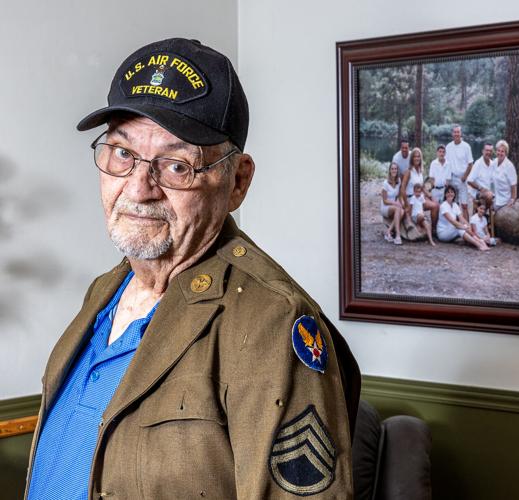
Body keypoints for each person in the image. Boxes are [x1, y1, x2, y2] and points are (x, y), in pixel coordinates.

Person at [25, 38, 359, 499]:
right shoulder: (104, 291)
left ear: (238, 181)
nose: (140, 189)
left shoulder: (270, 322)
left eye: (177, 165)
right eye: (123, 153)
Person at [436, 186, 489, 250]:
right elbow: (453, 222)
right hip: (443, 233)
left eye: (452, 192)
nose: (450, 194)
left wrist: (468, 225)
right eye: (448, 192)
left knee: (464, 226)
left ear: (454, 194)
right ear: (445, 194)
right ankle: (478, 245)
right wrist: (464, 227)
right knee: (460, 228)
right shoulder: (443, 206)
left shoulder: (455, 205)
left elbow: (462, 219)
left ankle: (480, 241)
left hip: (452, 230)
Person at [400, 147, 439, 226]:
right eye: (415, 156)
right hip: (411, 199)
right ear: (412, 158)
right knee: (434, 206)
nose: (417, 158)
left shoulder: (420, 171)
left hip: (420, 198)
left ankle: (434, 228)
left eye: (418, 156)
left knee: (436, 205)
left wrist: (430, 196)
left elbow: (422, 187)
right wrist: (406, 204)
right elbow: (402, 189)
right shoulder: (408, 172)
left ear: (420, 158)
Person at [445, 125, 474, 221]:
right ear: (452, 134)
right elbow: (447, 164)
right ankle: (456, 225)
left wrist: (465, 177)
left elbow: (470, 164)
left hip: (462, 179)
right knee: (453, 204)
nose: (456, 134)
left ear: (461, 133)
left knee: (464, 205)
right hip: (452, 177)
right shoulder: (448, 147)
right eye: (455, 132)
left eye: (458, 132)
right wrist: (447, 179)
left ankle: (467, 226)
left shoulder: (466, 147)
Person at [381, 162, 404, 245]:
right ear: (390, 171)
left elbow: (399, 196)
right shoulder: (385, 183)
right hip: (385, 207)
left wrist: (401, 203)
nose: (394, 170)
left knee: (402, 211)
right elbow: (385, 200)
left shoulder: (399, 181)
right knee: (398, 209)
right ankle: (398, 236)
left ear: (397, 170)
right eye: (392, 169)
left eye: (395, 169)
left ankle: (388, 231)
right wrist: (396, 203)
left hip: (394, 206)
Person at [491, 140, 518, 212]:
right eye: (498, 150)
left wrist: (513, 199)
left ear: (506, 153)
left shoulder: (509, 166)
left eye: (502, 151)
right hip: (495, 196)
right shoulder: (494, 162)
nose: (500, 153)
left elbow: (513, 185)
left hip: (504, 199)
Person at [467, 142, 495, 209]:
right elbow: (469, 181)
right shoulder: (478, 163)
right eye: (487, 150)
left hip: (489, 191)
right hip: (477, 192)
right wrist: (481, 188)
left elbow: (493, 182)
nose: (488, 152)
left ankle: (487, 215)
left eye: (490, 151)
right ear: (483, 151)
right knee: (489, 196)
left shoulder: (493, 164)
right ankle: (484, 214)